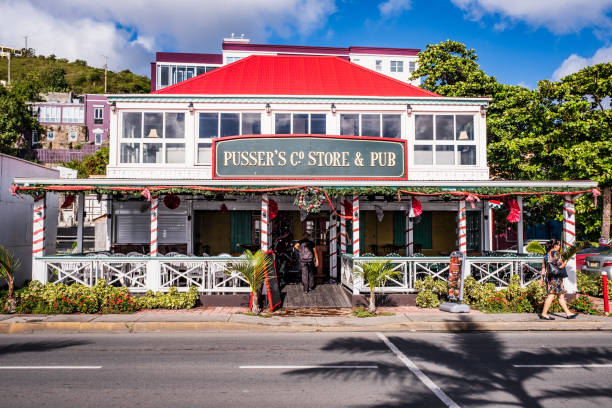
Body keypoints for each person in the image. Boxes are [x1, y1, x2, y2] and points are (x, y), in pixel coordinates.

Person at [539, 239, 578, 320]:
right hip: (556, 278)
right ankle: (544, 314)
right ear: (555, 246)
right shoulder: (556, 254)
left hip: (549, 278)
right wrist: (566, 261)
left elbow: (543, 269)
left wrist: (541, 279)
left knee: (560, 296)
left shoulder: (546, 255)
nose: (559, 247)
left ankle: (568, 313)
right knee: (552, 296)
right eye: (559, 245)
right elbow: (560, 266)